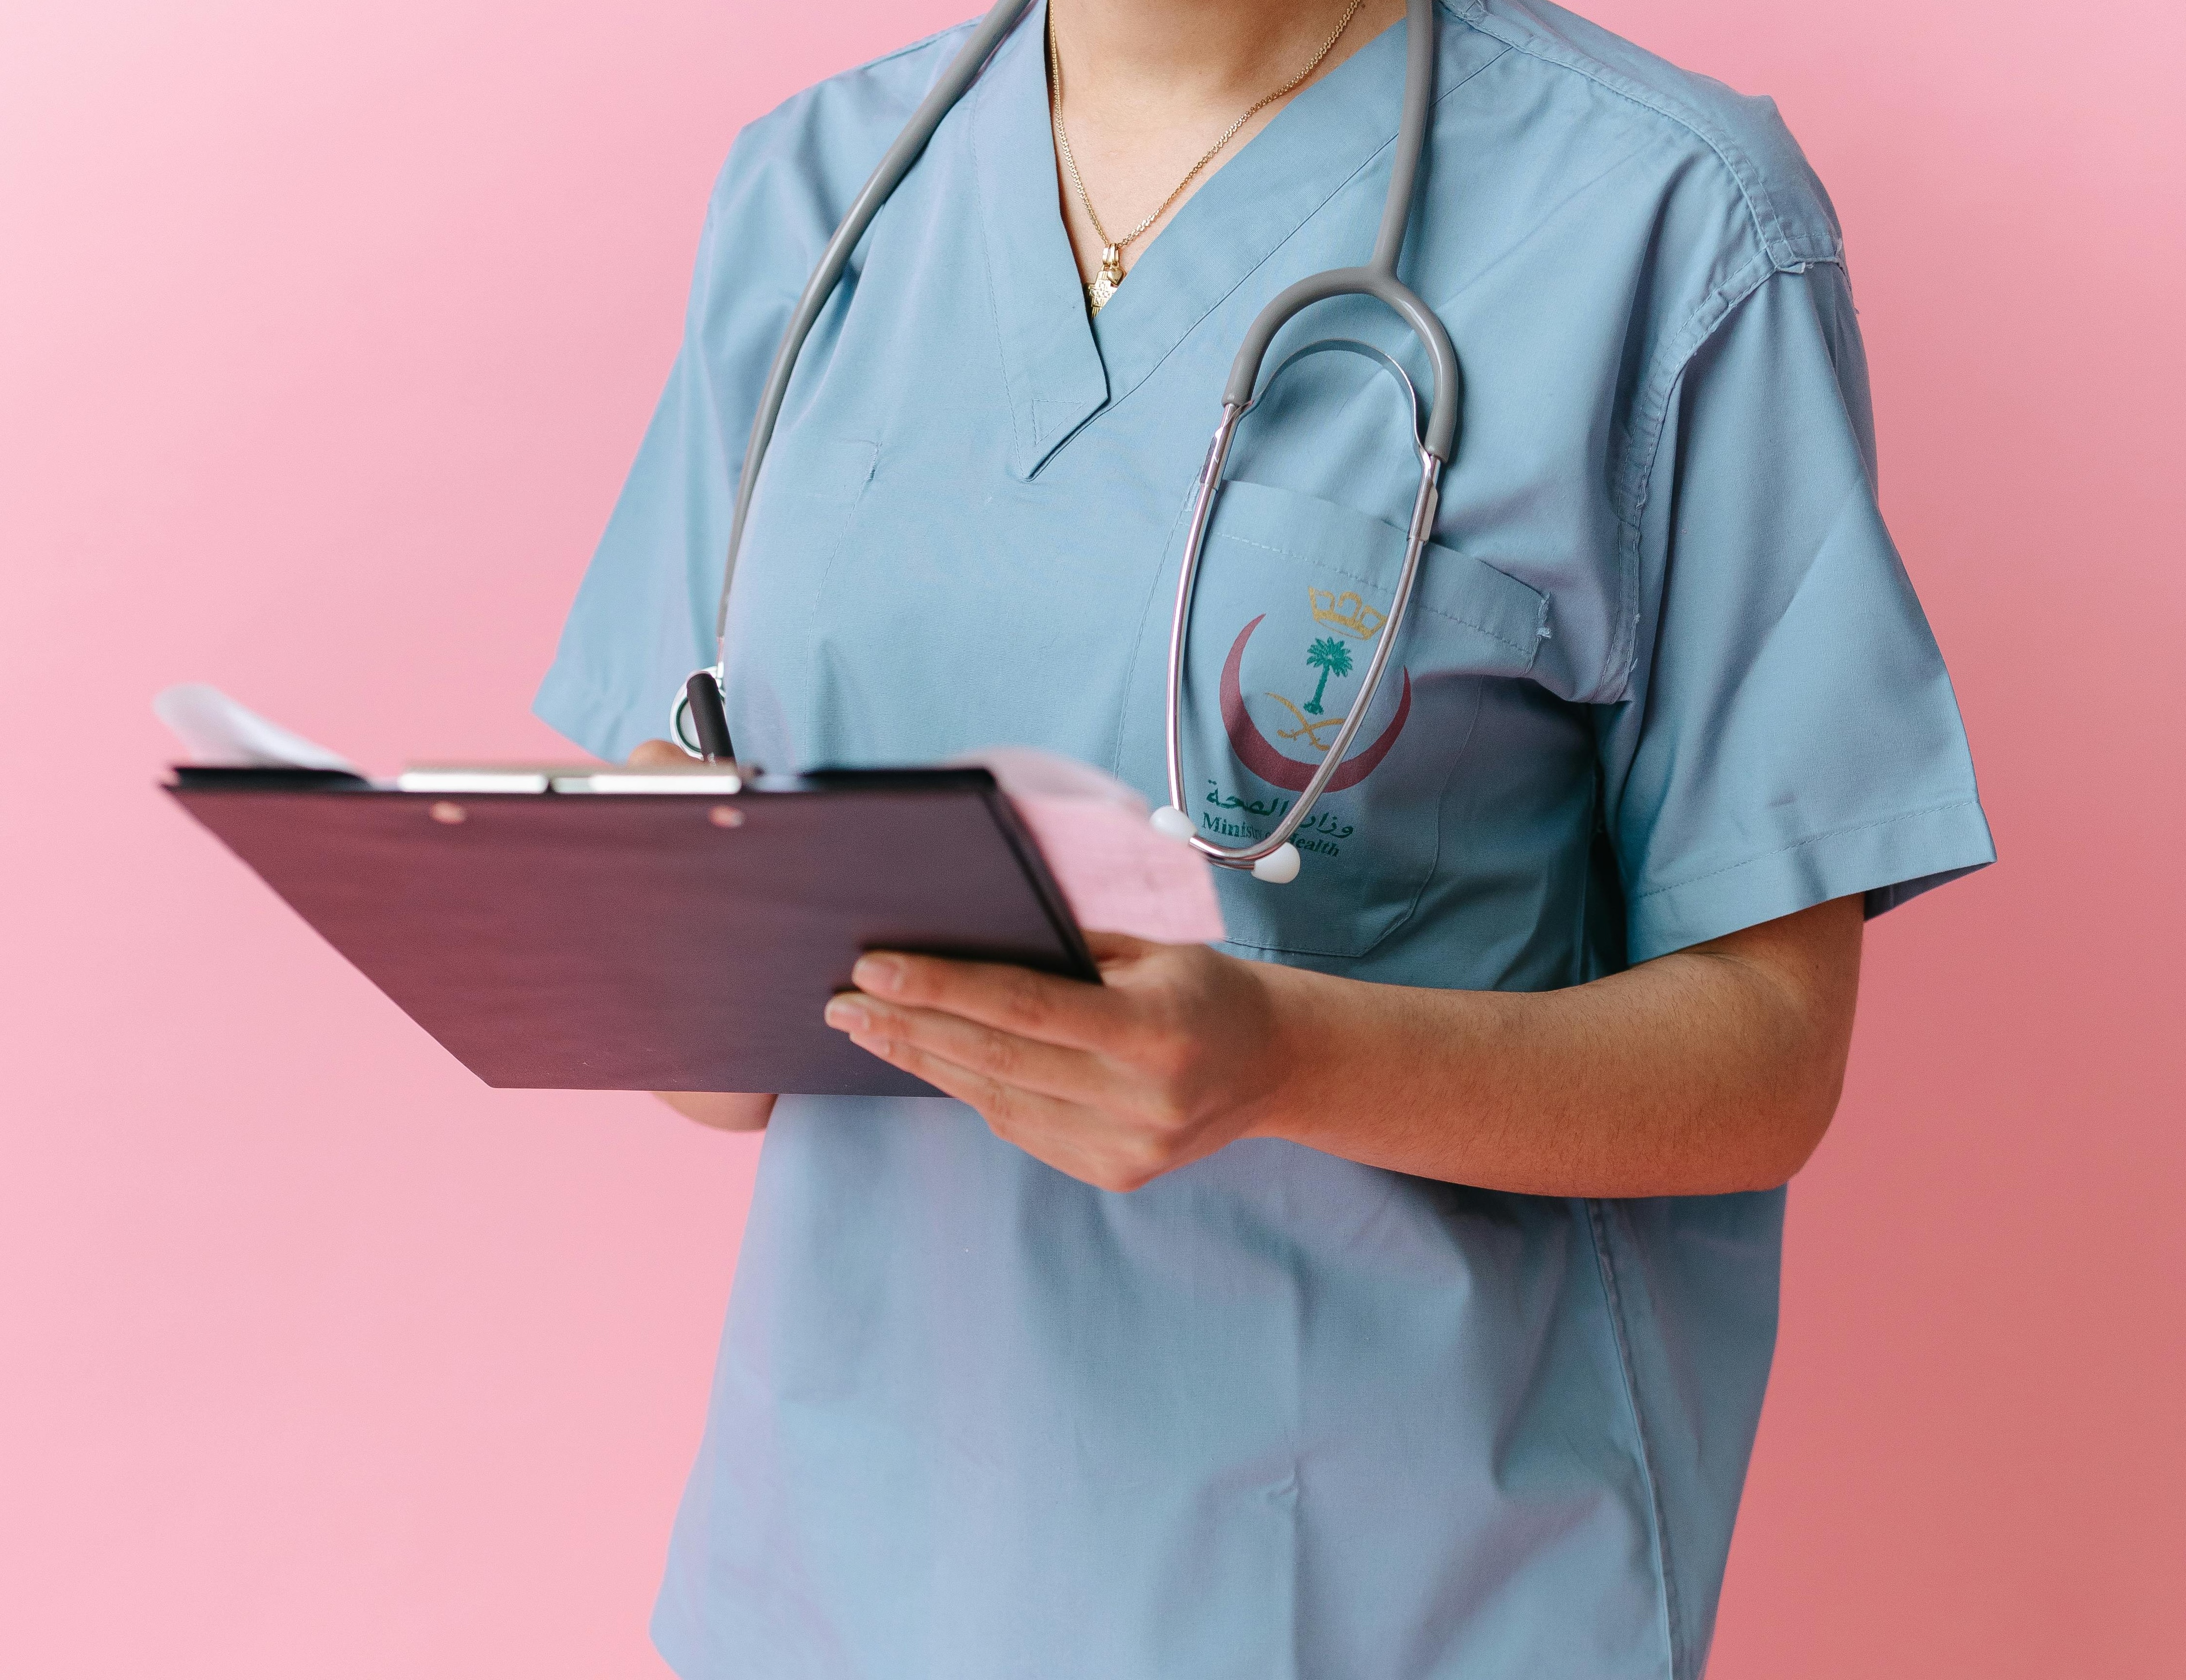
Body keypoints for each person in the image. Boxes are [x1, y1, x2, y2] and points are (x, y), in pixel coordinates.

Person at [536, 0, 1993, 1673]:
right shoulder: (821, 191)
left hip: (1390, 1591)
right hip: (845, 1580)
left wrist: (1281, 1056)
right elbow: (713, 1071)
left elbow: (1769, 1057)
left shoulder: (1667, 213)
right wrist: (663, 916)